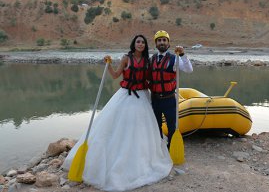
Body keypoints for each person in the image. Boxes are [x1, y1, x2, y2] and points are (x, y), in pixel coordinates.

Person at [63, 35, 172, 191]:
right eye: (138, 42)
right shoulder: (126, 58)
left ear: (145, 46)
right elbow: (115, 75)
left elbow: (150, 80)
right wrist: (108, 64)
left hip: (141, 96)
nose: (140, 44)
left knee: (140, 130)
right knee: (119, 126)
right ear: (134, 44)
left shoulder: (148, 61)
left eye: (143, 42)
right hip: (125, 95)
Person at [150, 30, 193, 148]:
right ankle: (158, 148)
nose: (162, 42)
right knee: (155, 125)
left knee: (171, 126)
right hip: (155, 99)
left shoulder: (175, 58)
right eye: (159, 40)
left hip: (169, 100)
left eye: (164, 40)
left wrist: (183, 54)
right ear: (156, 44)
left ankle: (171, 148)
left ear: (168, 44)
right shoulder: (152, 59)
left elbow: (189, 70)